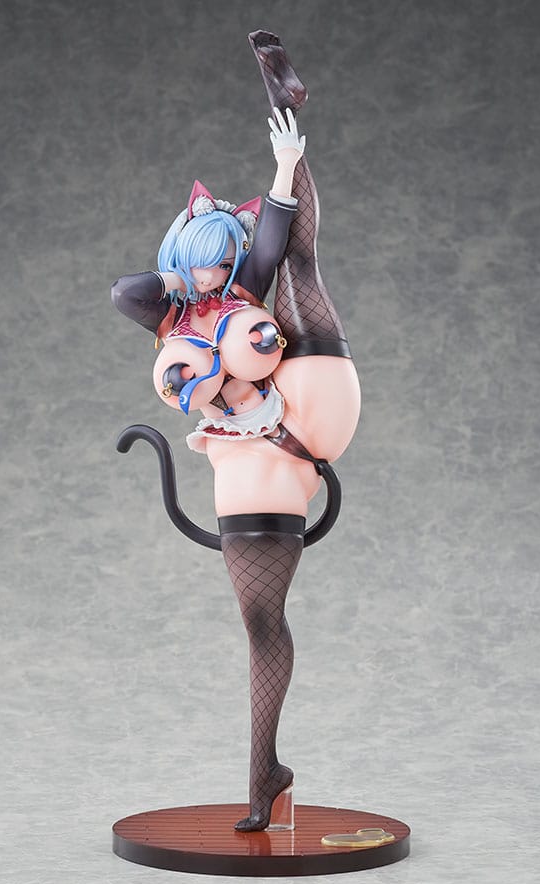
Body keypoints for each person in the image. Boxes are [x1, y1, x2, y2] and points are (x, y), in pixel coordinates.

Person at [112, 31, 360, 832]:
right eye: (207, 263)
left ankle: (284, 102)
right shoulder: (175, 315)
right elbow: (126, 292)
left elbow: (278, 246)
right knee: (260, 621)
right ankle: (266, 773)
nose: (217, 276)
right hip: (252, 467)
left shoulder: (242, 291)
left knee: (301, 268)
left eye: (221, 263)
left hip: (306, 399)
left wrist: (285, 171)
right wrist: (184, 273)